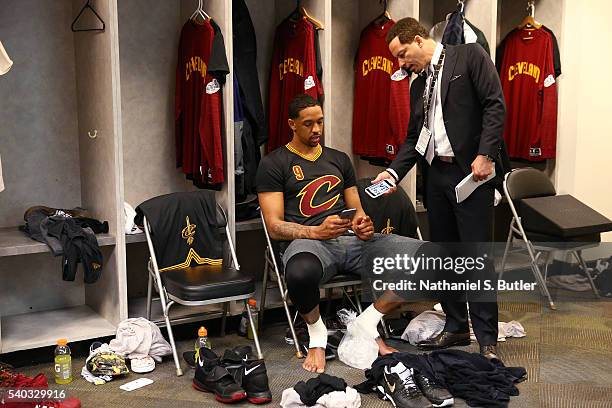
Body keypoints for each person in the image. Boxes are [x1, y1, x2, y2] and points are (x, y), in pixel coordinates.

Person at [372, 17, 506, 361]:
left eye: (403, 54)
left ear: (418, 40)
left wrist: (486, 153)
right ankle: (456, 325)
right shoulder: (419, 85)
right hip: (437, 178)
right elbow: (414, 140)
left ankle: (487, 339)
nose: (402, 64)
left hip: (471, 174)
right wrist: (391, 173)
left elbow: (495, 104)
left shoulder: (469, 56)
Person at [257, 94, 417, 374]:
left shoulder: (339, 159)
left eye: (320, 122)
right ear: (292, 124)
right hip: (308, 243)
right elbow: (274, 226)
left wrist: (363, 225)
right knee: (299, 273)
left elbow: (356, 211)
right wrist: (315, 231)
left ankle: (365, 325)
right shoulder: (273, 164)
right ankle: (317, 337)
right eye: (308, 124)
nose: (317, 129)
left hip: (352, 242)